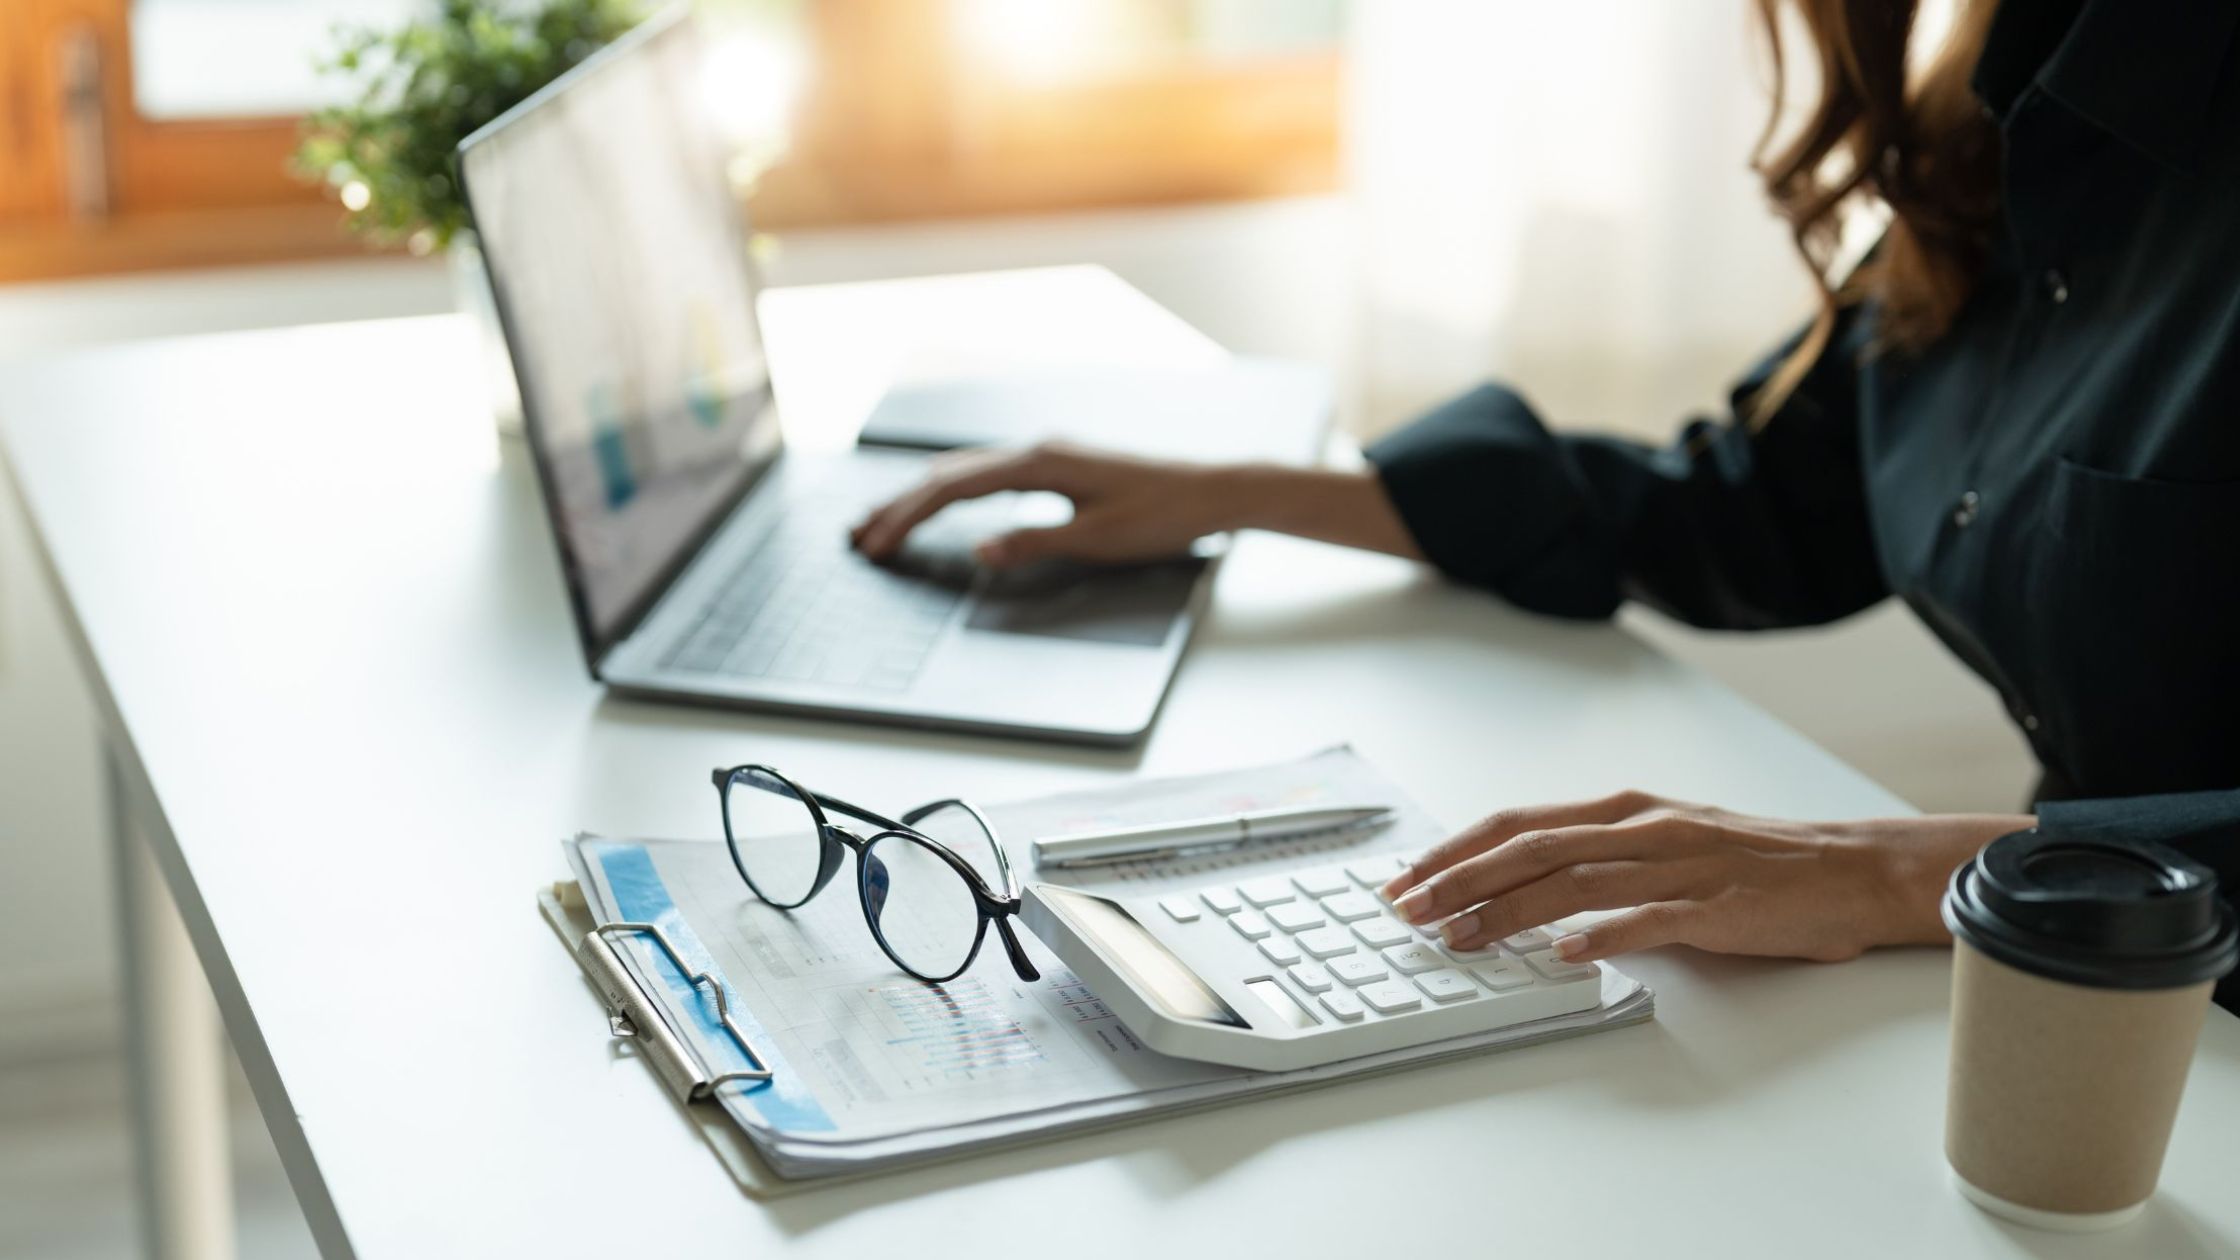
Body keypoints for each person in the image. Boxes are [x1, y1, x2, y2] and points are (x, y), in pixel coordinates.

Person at [851, 0, 2240, 1008]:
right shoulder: (2023, 104)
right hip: (2085, 1014)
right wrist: (1248, 495)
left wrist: (1908, 867)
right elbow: (1756, 507)